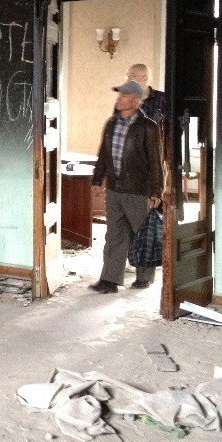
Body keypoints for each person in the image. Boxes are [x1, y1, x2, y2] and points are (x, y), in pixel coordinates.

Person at [89, 80, 162, 293]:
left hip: (138, 190)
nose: (119, 99)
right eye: (119, 95)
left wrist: (156, 190)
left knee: (142, 234)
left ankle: (144, 277)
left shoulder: (148, 127)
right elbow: (103, 155)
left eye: (124, 95)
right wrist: (97, 180)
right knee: (114, 236)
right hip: (114, 189)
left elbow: (155, 161)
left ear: (136, 101)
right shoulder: (111, 124)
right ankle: (110, 280)